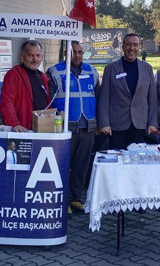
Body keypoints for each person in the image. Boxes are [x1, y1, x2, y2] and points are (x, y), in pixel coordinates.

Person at [46, 41, 99, 213]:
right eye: (73, 52)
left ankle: (75, 199)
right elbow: (48, 100)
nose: (76, 55)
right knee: (62, 165)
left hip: (87, 126)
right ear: (65, 53)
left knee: (81, 166)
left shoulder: (91, 71)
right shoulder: (54, 72)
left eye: (79, 52)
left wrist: (98, 123)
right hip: (64, 128)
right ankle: (62, 201)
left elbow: (99, 96)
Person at [97, 33, 158, 150]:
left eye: (135, 45)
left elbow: (152, 98)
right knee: (118, 159)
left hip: (139, 123)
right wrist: (104, 124)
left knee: (136, 160)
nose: (131, 48)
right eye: (128, 44)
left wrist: (152, 122)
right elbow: (104, 98)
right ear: (123, 47)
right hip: (117, 124)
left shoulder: (147, 68)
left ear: (139, 47)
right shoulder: (111, 68)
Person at [0, 39, 50, 132]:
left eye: (38, 55)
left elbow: (47, 104)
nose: (35, 59)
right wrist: (14, 124)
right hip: (22, 131)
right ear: (22, 57)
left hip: (42, 131)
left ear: (42, 57)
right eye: (30, 55)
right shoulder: (13, 75)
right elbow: (6, 102)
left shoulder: (43, 77)